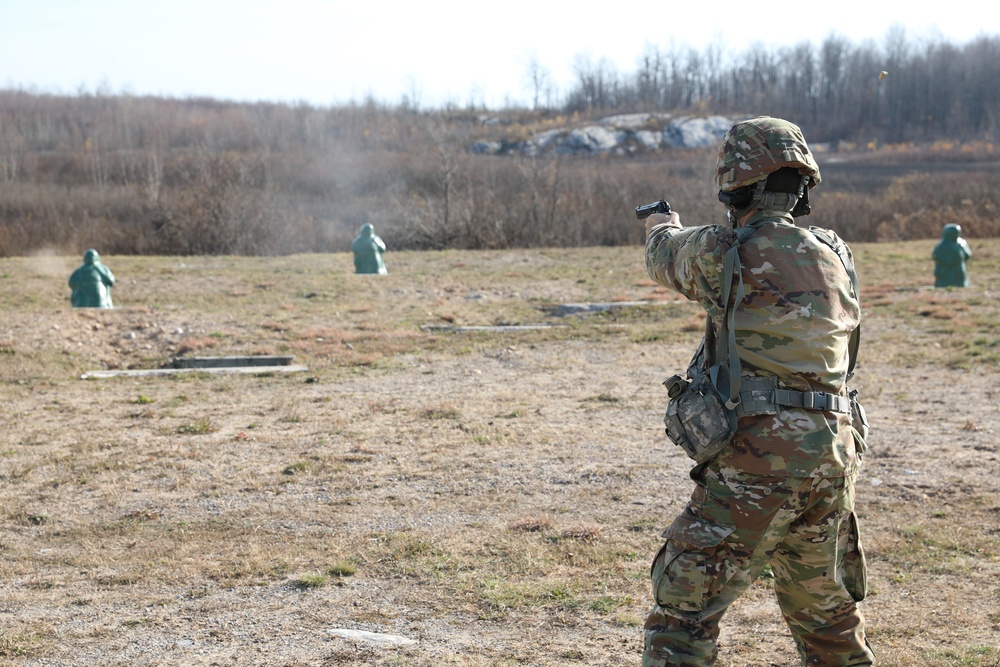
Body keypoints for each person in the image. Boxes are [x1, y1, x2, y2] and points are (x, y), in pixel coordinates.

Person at [641, 116, 874, 666]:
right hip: (833, 457)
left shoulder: (722, 249)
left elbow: (663, 255)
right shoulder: (835, 254)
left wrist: (659, 225)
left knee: (682, 613)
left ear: (734, 185)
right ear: (801, 187)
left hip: (758, 462)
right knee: (828, 621)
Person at [932, 223, 972, 287]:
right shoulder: (942, 245)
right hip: (945, 269)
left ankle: (961, 284)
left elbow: (967, 254)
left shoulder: (961, 243)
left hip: (958, 269)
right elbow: (935, 256)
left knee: (959, 277)